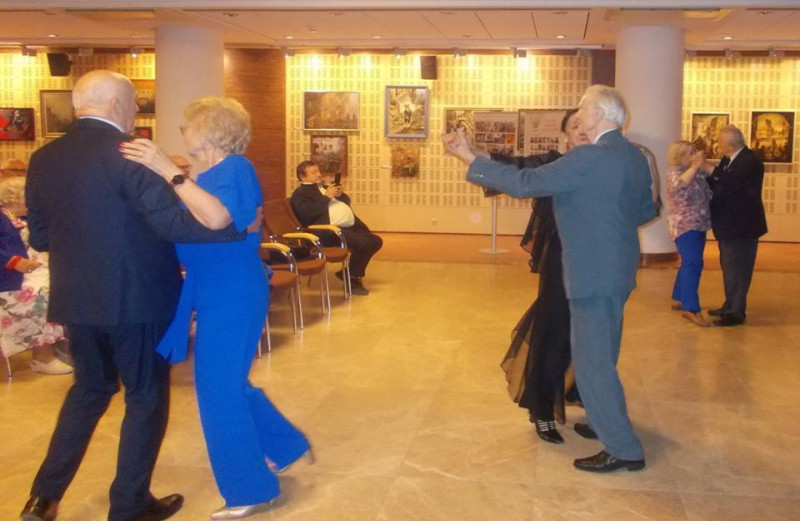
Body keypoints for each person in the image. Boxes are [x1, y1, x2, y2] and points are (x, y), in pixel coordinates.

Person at [21, 70, 244, 521]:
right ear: (119, 105)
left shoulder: (44, 157)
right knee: (145, 396)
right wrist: (234, 228)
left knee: (89, 390)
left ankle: (42, 499)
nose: (136, 113)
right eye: (135, 105)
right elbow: (173, 225)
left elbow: (41, 237)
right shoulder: (132, 153)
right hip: (138, 300)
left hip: (77, 301)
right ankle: (129, 505)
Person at [443, 84, 657, 474]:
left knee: (592, 363)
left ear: (598, 114)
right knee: (604, 353)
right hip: (617, 269)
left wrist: (468, 158)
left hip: (592, 272)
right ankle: (604, 420)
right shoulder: (633, 156)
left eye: (583, 110)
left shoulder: (590, 157)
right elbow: (645, 210)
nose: (579, 116)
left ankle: (623, 448)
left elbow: (526, 184)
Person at [122, 96, 311, 520]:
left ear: (211, 131)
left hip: (233, 291)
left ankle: (250, 489)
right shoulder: (206, 174)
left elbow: (216, 219)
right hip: (212, 289)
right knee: (228, 384)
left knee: (217, 391)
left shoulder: (234, 168)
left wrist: (168, 171)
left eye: (187, 125)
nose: (182, 132)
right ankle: (284, 445)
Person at [495, 109, 589, 444]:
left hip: (596, 263)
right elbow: (519, 167)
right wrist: (473, 155)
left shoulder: (604, 164)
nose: (582, 130)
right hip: (561, 260)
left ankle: (585, 395)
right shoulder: (553, 163)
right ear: (565, 133)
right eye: (575, 125)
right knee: (553, 330)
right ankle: (542, 409)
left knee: (591, 336)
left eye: (587, 124)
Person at [0, 176, 72, 376]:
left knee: (65, 284)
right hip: (8, 277)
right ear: (14, 198)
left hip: (34, 270)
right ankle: (42, 356)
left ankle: (65, 348)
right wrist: (15, 262)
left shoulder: (25, 220)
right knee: (44, 292)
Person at [701, 125, 767, 327]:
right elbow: (720, 183)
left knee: (738, 269)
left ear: (729, 145)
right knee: (730, 267)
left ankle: (735, 313)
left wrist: (711, 170)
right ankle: (730, 305)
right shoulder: (728, 159)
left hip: (742, 226)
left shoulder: (750, 161)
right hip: (728, 225)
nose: (717, 146)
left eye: (720, 142)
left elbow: (737, 184)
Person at [291, 161, 383, 295]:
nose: (319, 174)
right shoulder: (300, 194)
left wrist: (340, 195)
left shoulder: (324, 187)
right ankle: (352, 278)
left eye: (318, 171)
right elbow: (307, 214)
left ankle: (348, 272)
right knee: (365, 243)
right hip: (327, 232)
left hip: (347, 227)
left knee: (375, 240)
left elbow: (345, 202)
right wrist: (326, 197)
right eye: (313, 172)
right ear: (302, 176)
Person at [665, 141, 712, 327]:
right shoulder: (674, 172)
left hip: (700, 223)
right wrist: (694, 167)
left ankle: (679, 297)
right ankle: (690, 307)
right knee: (693, 263)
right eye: (690, 152)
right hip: (684, 225)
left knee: (690, 262)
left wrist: (703, 164)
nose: (694, 155)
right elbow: (679, 185)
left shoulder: (697, 171)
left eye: (695, 152)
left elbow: (713, 175)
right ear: (680, 155)